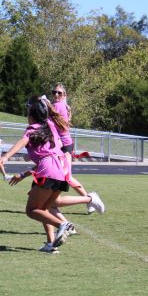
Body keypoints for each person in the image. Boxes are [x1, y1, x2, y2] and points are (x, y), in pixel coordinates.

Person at [0, 95, 75, 252]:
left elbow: (24, 142)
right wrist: (24, 174)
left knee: (31, 210)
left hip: (49, 168)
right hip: (63, 169)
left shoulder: (32, 129)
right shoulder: (51, 126)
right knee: (44, 209)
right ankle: (51, 244)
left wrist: (5, 156)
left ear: (31, 117)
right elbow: (47, 159)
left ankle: (63, 225)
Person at [51, 84, 103, 214]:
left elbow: (53, 125)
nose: (56, 95)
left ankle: (90, 198)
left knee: (67, 177)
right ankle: (90, 199)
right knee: (66, 176)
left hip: (63, 145)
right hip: (63, 144)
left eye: (59, 93)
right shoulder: (62, 106)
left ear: (64, 95)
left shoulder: (58, 106)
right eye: (54, 92)